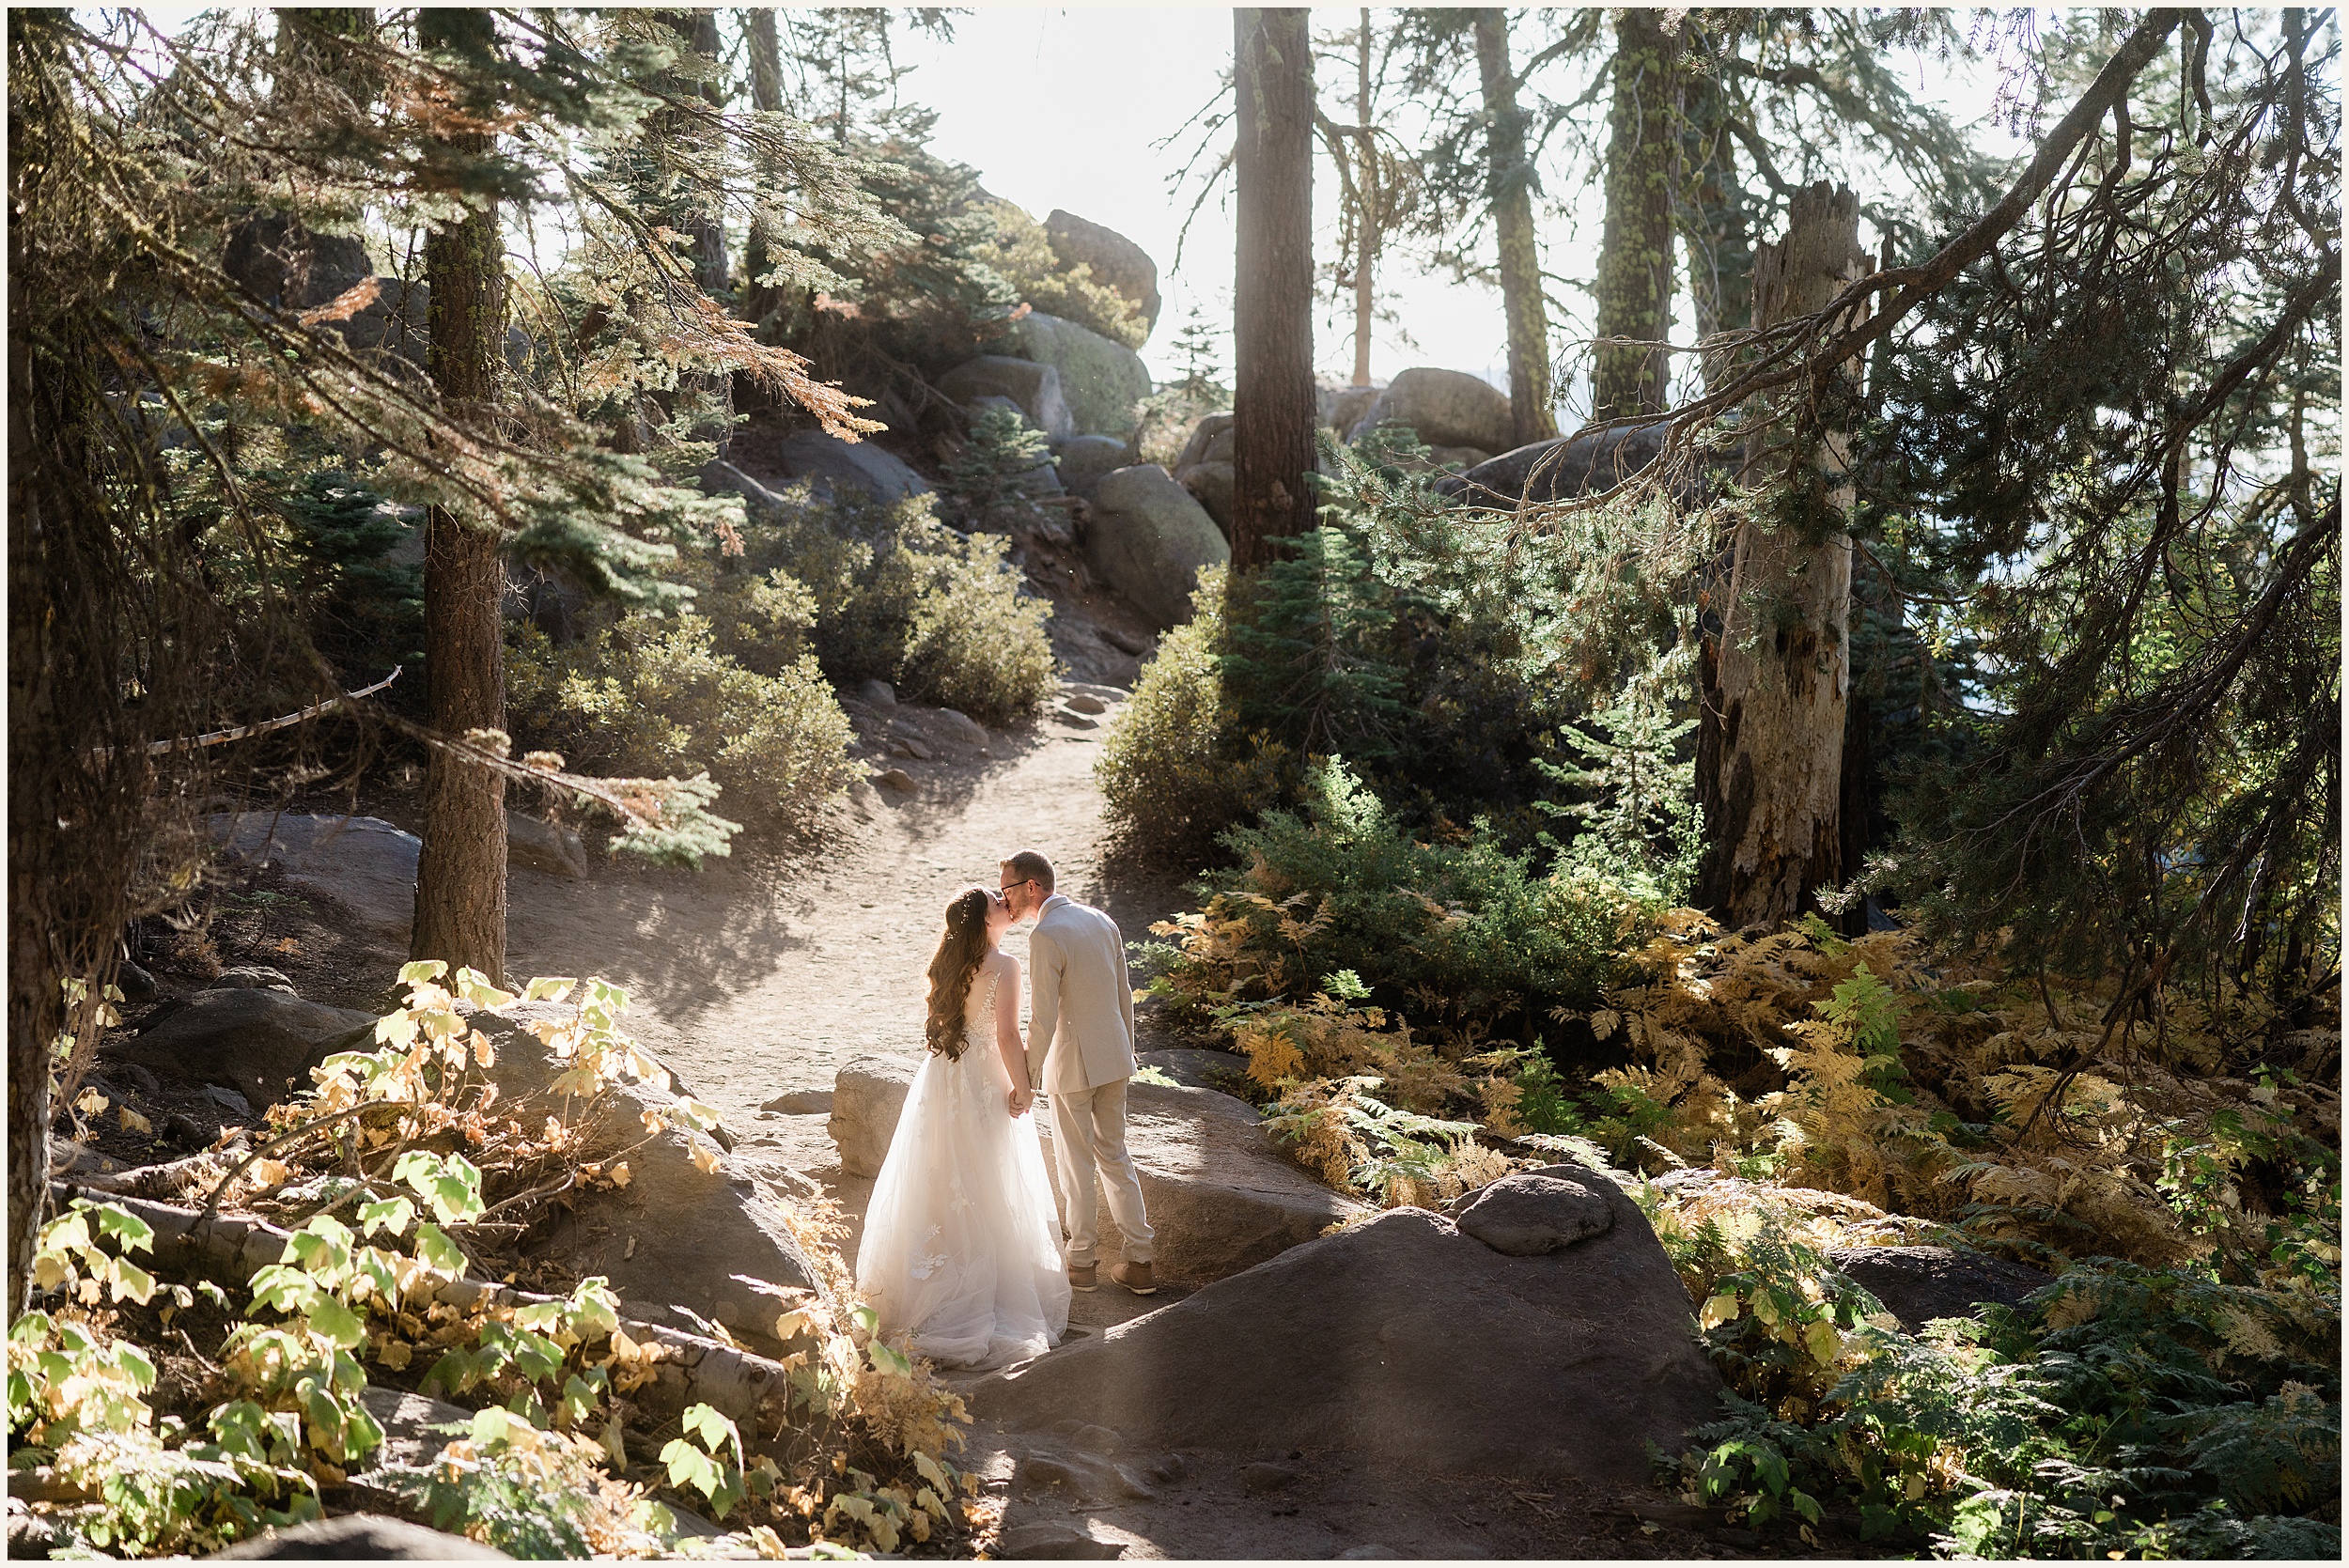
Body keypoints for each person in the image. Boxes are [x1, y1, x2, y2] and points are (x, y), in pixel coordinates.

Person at [854, 887, 1070, 1369]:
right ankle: (981, 1292)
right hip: (982, 1080)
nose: (1004, 902)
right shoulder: (1005, 965)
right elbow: (1007, 1034)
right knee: (987, 1176)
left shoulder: (952, 965)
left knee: (940, 1173)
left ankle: (927, 1282)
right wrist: (1023, 1087)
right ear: (986, 921)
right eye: (998, 900)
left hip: (944, 1075)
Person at [1000, 850, 1158, 1296]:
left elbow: (1042, 1020)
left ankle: (1083, 1262)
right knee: (1115, 1154)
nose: (1004, 898)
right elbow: (1124, 995)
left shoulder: (1045, 935)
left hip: (1072, 1065)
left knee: (1075, 1162)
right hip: (1114, 1058)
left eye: (1008, 889)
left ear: (1032, 887)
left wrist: (1026, 1079)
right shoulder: (1102, 921)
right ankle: (1140, 1260)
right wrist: (1127, 1050)